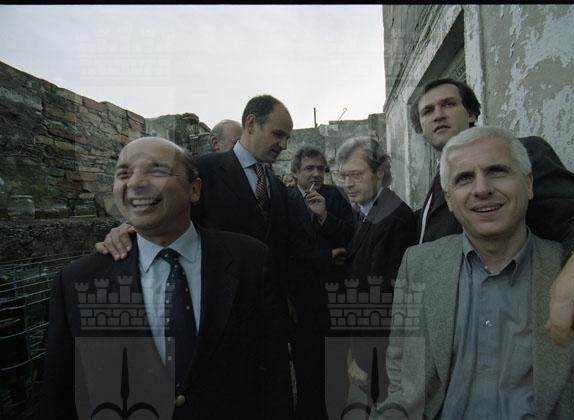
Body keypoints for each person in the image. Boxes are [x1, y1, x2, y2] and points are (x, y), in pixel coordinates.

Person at [40, 137, 292, 420]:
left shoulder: (250, 261)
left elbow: (274, 375)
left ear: (194, 189)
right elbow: (59, 394)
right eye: (123, 173)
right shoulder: (78, 281)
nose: (136, 183)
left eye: (156, 170)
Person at [412, 78, 574, 345]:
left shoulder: (520, 153)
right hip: (450, 330)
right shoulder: (436, 183)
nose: (438, 115)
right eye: (428, 111)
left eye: (448, 104)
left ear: (471, 113)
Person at [377, 127, 574, 419]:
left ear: (529, 183)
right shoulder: (418, 264)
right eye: (464, 178)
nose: (481, 189)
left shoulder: (572, 269)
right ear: (450, 199)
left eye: (497, 171)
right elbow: (401, 368)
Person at [96, 94, 293, 291]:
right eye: (278, 134)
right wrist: (128, 230)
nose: (284, 145)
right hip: (216, 294)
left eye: (287, 138)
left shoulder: (277, 186)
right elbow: (163, 212)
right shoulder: (202, 169)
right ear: (251, 124)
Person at [335, 136, 416, 413]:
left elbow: (381, 296)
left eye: (356, 175)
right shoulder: (368, 210)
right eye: (344, 176)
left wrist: (362, 358)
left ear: (379, 172)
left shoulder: (393, 218)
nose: (347, 184)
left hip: (382, 351)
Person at [286, 145, 354, 420]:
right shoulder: (286, 201)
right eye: (309, 168)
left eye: (320, 169)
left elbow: (350, 235)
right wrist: (325, 256)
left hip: (335, 299)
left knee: (336, 371)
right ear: (296, 173)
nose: (315, 174)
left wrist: (325, 216)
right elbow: (287, 249)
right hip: (301, 303)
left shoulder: (336, 196)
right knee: (306, 372)